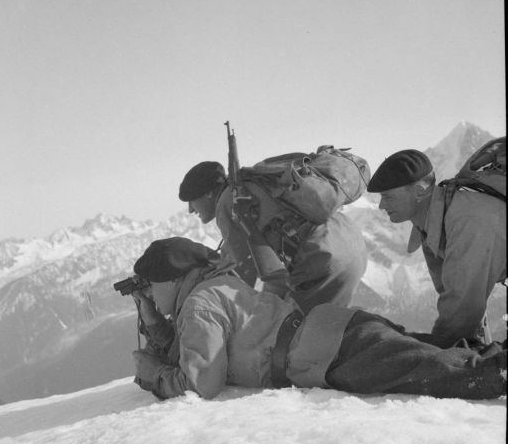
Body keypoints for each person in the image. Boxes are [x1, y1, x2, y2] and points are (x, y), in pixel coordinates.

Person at [129, 236, 506, 401]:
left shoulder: (199, 304)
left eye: (150, 286)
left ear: (174, 279)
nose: (149, 292)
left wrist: (155, 377)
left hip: (331, 352)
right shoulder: (218, 284)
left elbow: (201, 382)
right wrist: (154, 320)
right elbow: (195, 347)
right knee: (441, 353)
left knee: (458, 373)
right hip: (336, 332)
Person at [178, 161, 367, 313]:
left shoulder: (228, 202)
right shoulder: (253, 183)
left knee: (291, 335)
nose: (190, 210)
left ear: (209, 193)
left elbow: (243, 271)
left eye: (192, 201)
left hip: (321, 256)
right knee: (331, 323)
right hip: (346, 239)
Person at [367, 149, 506, 349]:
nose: (381, 205)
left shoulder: (467, 220)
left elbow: (462, 308)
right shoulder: (429, 223)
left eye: (388, 197)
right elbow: (455, 298)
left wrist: (433, 359)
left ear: (419, 191)